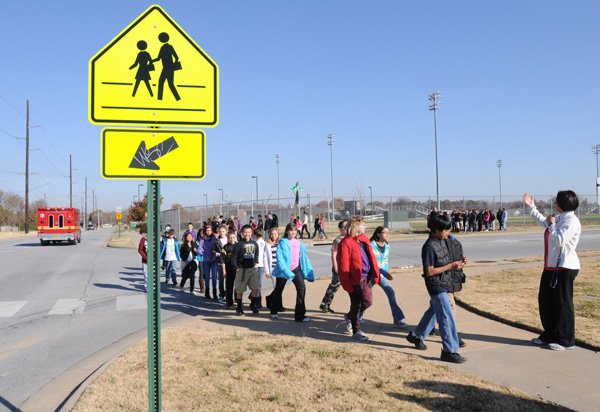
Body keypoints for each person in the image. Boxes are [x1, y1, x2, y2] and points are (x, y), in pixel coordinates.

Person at [406, 213, 467, 363]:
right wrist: (450, 266)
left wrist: (458, 263)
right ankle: (449, 350)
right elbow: (430, 271)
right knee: (446, 316)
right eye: (445, 230)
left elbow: (446, 262)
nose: (448, 233)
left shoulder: (442, 241)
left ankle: (416, 336)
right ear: (436, 230)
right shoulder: (428, 247)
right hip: (436, 285)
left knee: (434, 312)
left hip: (445, 283)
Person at [523, 191, 581, 351]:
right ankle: (550, 334)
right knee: (546, 301)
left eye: (556, 201)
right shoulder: (561, 217)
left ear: (563, 204)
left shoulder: (572, 221)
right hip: (551, 267)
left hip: (565, 267)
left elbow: (559, 241)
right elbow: (544, 221)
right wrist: (531, 206)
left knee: (562, 304)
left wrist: (552, 224)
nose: (554, 203)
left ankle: (565, 340)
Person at [337, 216, 380, 341]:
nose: (365, 227)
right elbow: (343, 266)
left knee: (367, 302)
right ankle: (357, 330)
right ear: (355, 226)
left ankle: (350, 316)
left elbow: (370, 257)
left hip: (367, 277)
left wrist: (375, 273)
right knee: (356, 304)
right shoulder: (345, 243)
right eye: (363, 224)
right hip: (355, 279)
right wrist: (348, 284)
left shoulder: (363, 239)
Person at [269, 223, 314, 322]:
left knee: (301, 288)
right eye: (291, 230)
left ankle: (300, 315)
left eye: (295, 230)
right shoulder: (282, 242)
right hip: (284, 270)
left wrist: (309, 272)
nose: (293, 232)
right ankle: (273, 310)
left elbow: (304, 258)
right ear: (287, 231)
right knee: (279, 290)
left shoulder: (300, 244)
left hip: (296, 269)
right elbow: (280, 260)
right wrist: (286, 271)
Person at [369, 226, 408, 328]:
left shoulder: (387, 245)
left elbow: (385, 261)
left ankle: (398, 319)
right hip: (371, 275)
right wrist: (382, 272)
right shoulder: (371, 245)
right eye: (385, 233)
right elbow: (370, 263)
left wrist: (385, 271)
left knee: (391, 293)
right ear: (378, 234)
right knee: (365, 297)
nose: (388, 235)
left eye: (388, 233)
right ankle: (357, 316)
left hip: (382, 275)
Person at [319, 219, 349, 313]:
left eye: (348, 226)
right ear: (340, 229)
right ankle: (325, 304)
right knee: (334, 286)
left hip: (348, 267)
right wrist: (336, 267)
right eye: (344, 227)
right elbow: (334, 254)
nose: (346, 229)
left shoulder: (350, 238)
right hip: (339, 267)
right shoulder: (338, 240)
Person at [231, 225, 260, 316]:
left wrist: (255, 262)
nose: (247, 234)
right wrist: (236, 267)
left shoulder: (254, 243)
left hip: (252, 269)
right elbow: (233, 257)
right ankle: (239, 307)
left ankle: (253, 304)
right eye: (245, 232)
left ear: (252, 233)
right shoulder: (239, 244)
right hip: (242, 270)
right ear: (242, 233)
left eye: (249, 232)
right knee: (240, 289)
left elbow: (256, 253)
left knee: (255, 288)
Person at [153, 32, 181, 101]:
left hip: (168, 68)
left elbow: (159, 58)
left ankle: (176, 98)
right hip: (168, 68)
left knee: (166, 83)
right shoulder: (166, 47)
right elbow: (176, 57)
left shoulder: (165, 47)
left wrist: (151, 61)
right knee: (166, 83)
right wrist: (151, 61)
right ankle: (176, 98)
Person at [221, 231, 238, 308]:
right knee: (229, 286)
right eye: (230, 238)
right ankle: (229, 302)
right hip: (229, 269)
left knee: (238, 286)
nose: (232, 239)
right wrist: (224, 271)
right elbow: (223, 260)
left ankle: (238, 300)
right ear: (228, 238)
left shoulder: (238, 246)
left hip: (238, 269)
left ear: (235, 237)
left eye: (233, 237)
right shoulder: (225, 247)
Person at [202, 225, 219, 299]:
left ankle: (215, 293)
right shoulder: (203, 239)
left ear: (212, 231)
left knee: (214, 277)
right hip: (206, 260)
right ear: (205, 231)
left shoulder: (214, 239)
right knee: (207, 277)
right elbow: (199, 249)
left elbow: (218, 248)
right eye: (207, 230)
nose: (208, 232)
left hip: (214, 260)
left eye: (210, 230)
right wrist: (203, 253)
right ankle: (207, 292)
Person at [137, 224, 148, 291]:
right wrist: (145, 256)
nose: (142, 235)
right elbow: (140, 249)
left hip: (153, 260)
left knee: (153, 274)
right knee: (146, 274)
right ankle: (147, 286)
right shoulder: (143, 240)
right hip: (145, 260)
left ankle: (153, 286)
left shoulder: (153, 238)